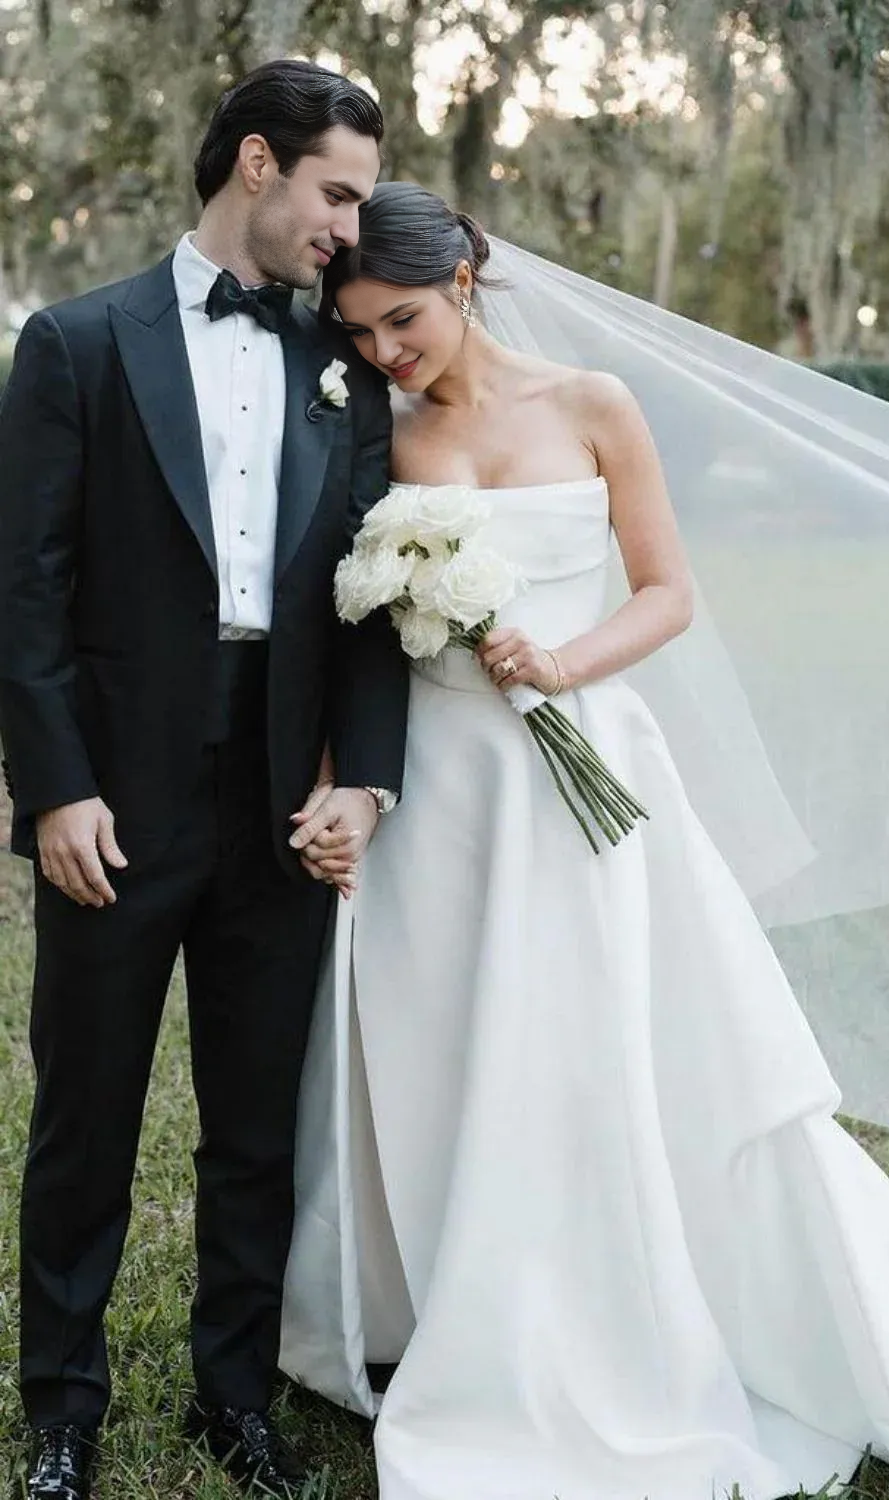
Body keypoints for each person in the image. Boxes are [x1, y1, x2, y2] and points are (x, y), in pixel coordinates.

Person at [279, 181, 889, 1500]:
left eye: (403, 320)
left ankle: (639, 1305)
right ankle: (454, 1297)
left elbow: (667, 592)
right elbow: (344, 638)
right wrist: (348, 789)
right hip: (440, 788)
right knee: (452, 1038)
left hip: (583, 762)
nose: (387, 350)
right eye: (364, 333)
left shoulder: (594, 403)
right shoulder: (370, 430)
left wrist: (560, 660)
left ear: (467, 272)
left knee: (601, 1035)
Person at [0, 62, 408, 1499]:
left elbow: (372, 596)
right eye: (335, 191)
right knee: (87, 1112)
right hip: (117, 793)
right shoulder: (75, 345)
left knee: (254, 1118)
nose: (349, 229)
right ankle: (61, 1409)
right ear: (256, 164)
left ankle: (235, 1395)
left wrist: (361, 781)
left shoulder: (343, 366)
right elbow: (25, 592)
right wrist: (56, 788)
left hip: (283, 800)